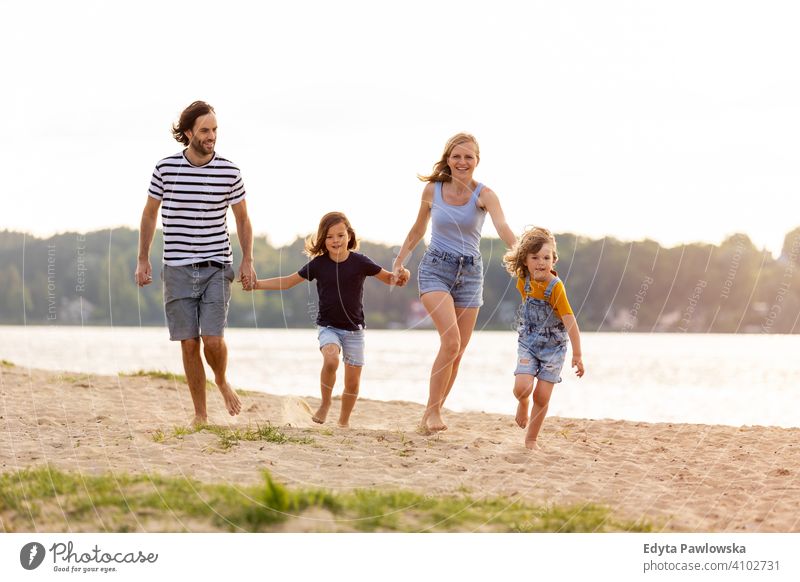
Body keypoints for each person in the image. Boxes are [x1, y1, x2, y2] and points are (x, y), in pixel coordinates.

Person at [135, 101, 257, 427]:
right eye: (205, 130)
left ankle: (221, 378)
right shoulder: (165, 169)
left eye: (215, 129)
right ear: (188, 132)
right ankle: (201, 415)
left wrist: (248, 261)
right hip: (176, 266)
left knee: (212, 340)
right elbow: (149, 214)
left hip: (217, 265)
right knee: (189, 343)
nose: (211, 136)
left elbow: (243, 219)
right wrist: (143, 258)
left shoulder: (230, 171)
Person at [392, 133, 517, 433]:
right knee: (451, 342)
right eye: (457, 156)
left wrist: (524, 257)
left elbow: (502, 228)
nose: (462, 162)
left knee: (457, 353)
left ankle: (429, 415)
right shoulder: (432, 190)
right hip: (435, 268)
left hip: (471, 275)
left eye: (469, 157)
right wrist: (399, 262)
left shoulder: (485, 195)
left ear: (477, 161)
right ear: (448, 158)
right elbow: (418, 228)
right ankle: (434, 413)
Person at [249, 211, 409, 428]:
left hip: (355, 330)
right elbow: (287, 282)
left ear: (349, 236)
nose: (336, 241)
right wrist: (257, 284)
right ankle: (325, 404)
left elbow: (389, 278)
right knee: (331, 359)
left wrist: (401, 276)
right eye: (331, 236)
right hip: (329, 327)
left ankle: (343, 422)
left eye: (341, 235)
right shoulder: (318, 264)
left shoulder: (360, 262)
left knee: (352, 383)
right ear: (323, 239)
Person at [502, 227, 584, 450]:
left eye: (546, 258)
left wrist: (577, 354)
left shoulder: (556, 288)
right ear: (525, 260)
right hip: (529, 343)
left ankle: (531, 439)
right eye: (535, 257)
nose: (541, 262)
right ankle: (522, 402)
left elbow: (570, 321)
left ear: (553, 260)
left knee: (542, 395)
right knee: (522, 388)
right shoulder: (524, 281)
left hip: (554, 348)